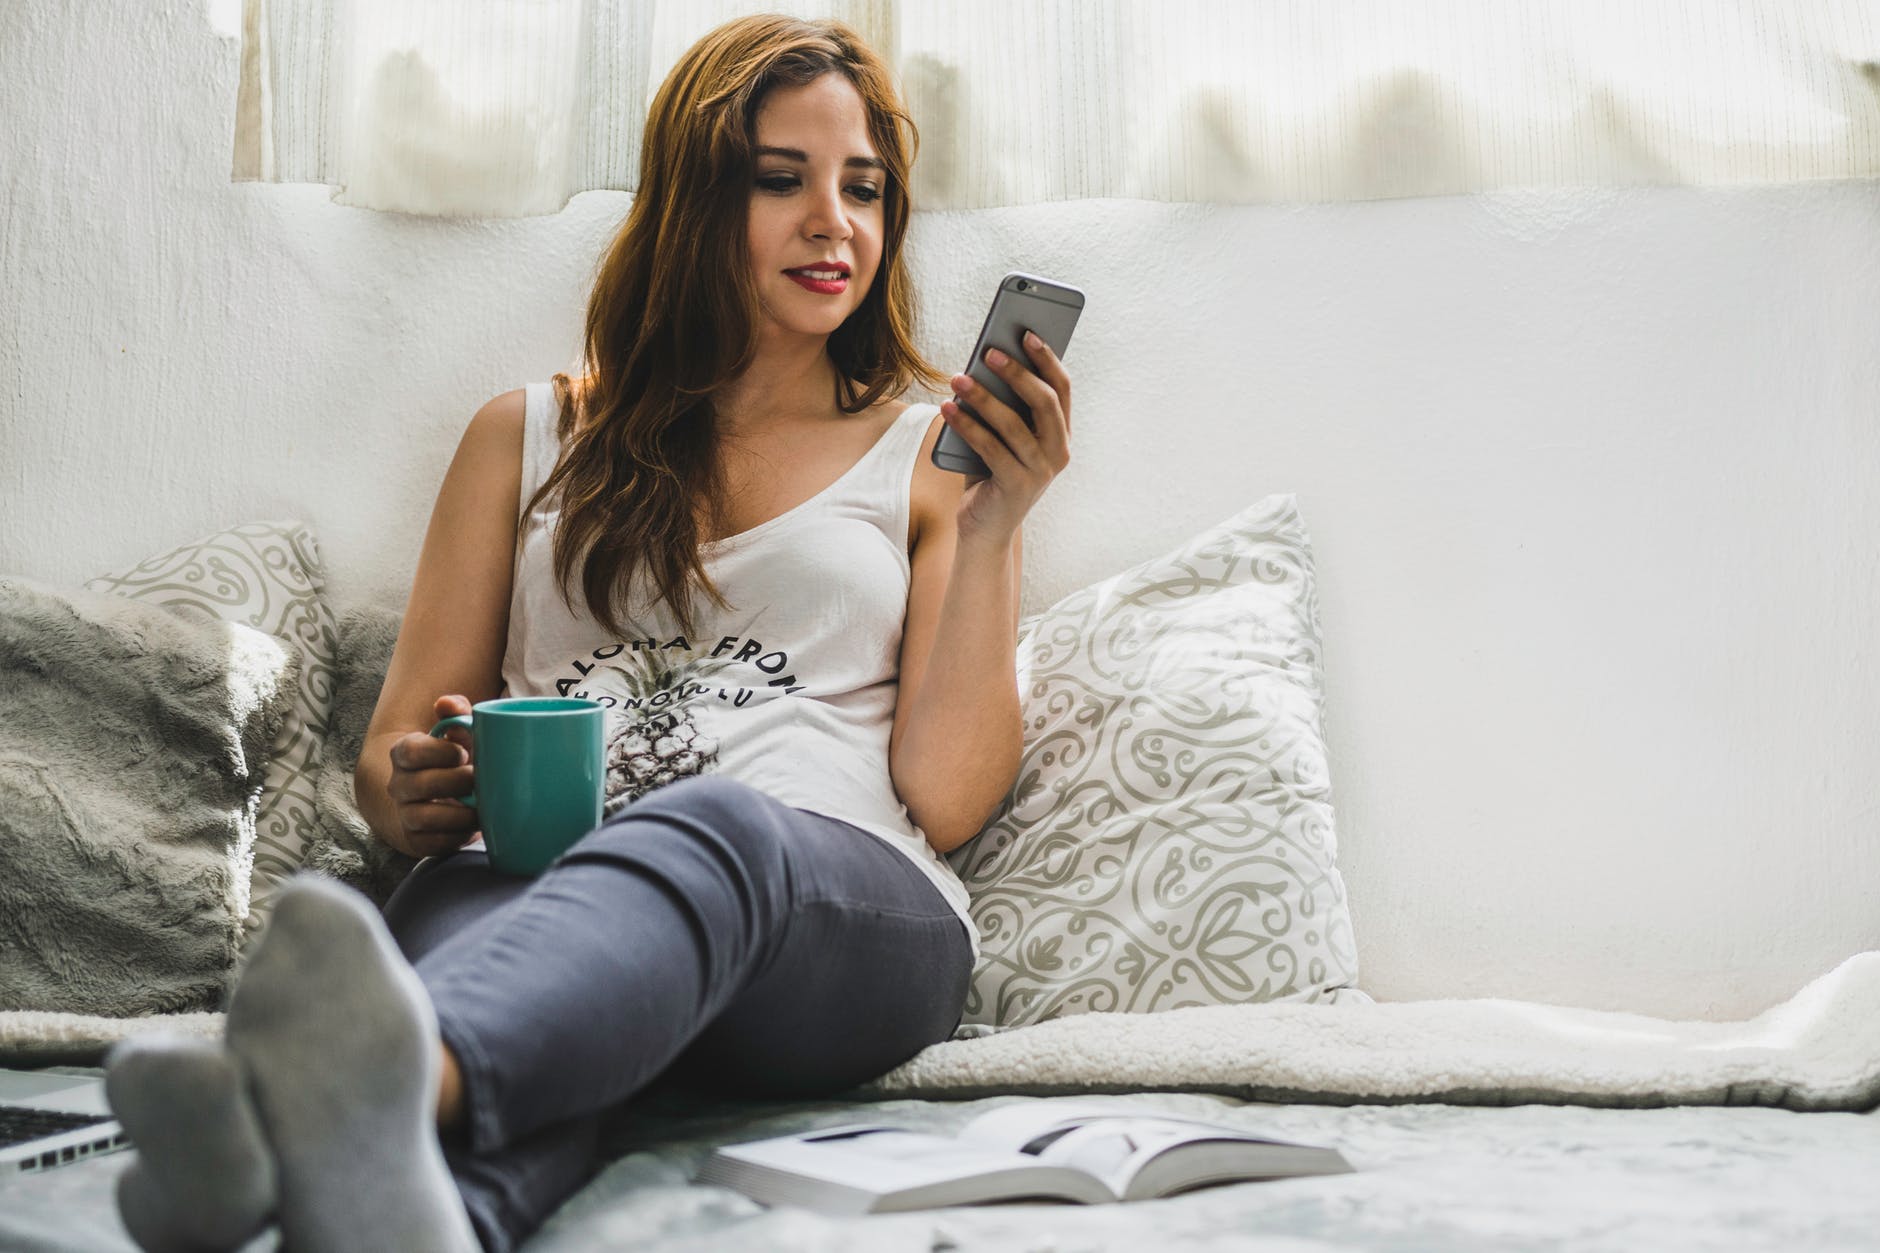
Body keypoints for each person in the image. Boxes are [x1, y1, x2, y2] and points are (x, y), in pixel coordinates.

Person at [101, 13, 1073, 1253]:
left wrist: (995, 527)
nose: (835, 220)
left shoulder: (928, 457)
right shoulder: (523, 438)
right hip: (530, 883)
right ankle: (410, 1208)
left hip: (823, 902)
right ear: (690, 199)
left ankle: (333, 1087)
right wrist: (413, 789)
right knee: (533, 981)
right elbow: (395, 749)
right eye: (781, 179)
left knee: (703, 826)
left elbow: (942, 795)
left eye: (864, 187)